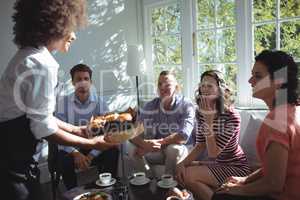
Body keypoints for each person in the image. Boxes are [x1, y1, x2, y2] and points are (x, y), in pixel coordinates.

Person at [0, 1, 118, 199]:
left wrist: (76, 130)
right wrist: (90, 144)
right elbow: (43, 128)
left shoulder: (26, 55)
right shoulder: (42, 64)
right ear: (52, 25)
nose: (74, 34)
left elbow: (37, 115)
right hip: (12, 157)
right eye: (70, 27)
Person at [212, 50, 300, 200]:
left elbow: (274, 184)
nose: (250, 81)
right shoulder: (293, 108)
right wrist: (245, 180)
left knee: (220, 195)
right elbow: (275, 166)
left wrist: (235, 190)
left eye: (258, 76)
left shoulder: (277, 121)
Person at [175, 70, 251, 200]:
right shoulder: (200, 113)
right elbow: (200, 145)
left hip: (235, 167)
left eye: (210, 86)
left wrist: (209, 121)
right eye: (203, 85)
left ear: (219, 89)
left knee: (187, 175)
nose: (205, 89)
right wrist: (181, 163)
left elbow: (213, 153)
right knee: (181, 171)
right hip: (217, 164)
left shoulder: (232, 116)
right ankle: (218, 195)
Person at [55, 64, 119, 190]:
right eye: (78, 79)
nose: (82, 83)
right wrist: (75, 153)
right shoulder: (62, 103)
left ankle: (107, 188)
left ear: (91, 82)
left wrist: (91, 155)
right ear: (73, 82)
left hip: (94, 145)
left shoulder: (100, 102)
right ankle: (72, 192)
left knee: (113, 151)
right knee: (64, 159)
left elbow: (108, 134)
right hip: (71, 146)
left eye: (86, 79)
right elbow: (58, 133)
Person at [128, 70, 195, 177]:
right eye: (160, 84)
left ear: (176, 87)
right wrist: (145, 144)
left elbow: (183, 136)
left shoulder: (186, 105)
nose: (162, 87)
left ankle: (168, 185)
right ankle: (149, 180)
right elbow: (132, 134)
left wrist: (157, 143)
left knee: (173, 150)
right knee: (132, 149)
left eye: (167, 84)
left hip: (182, 147)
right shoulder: (151, 105)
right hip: (159, 149)